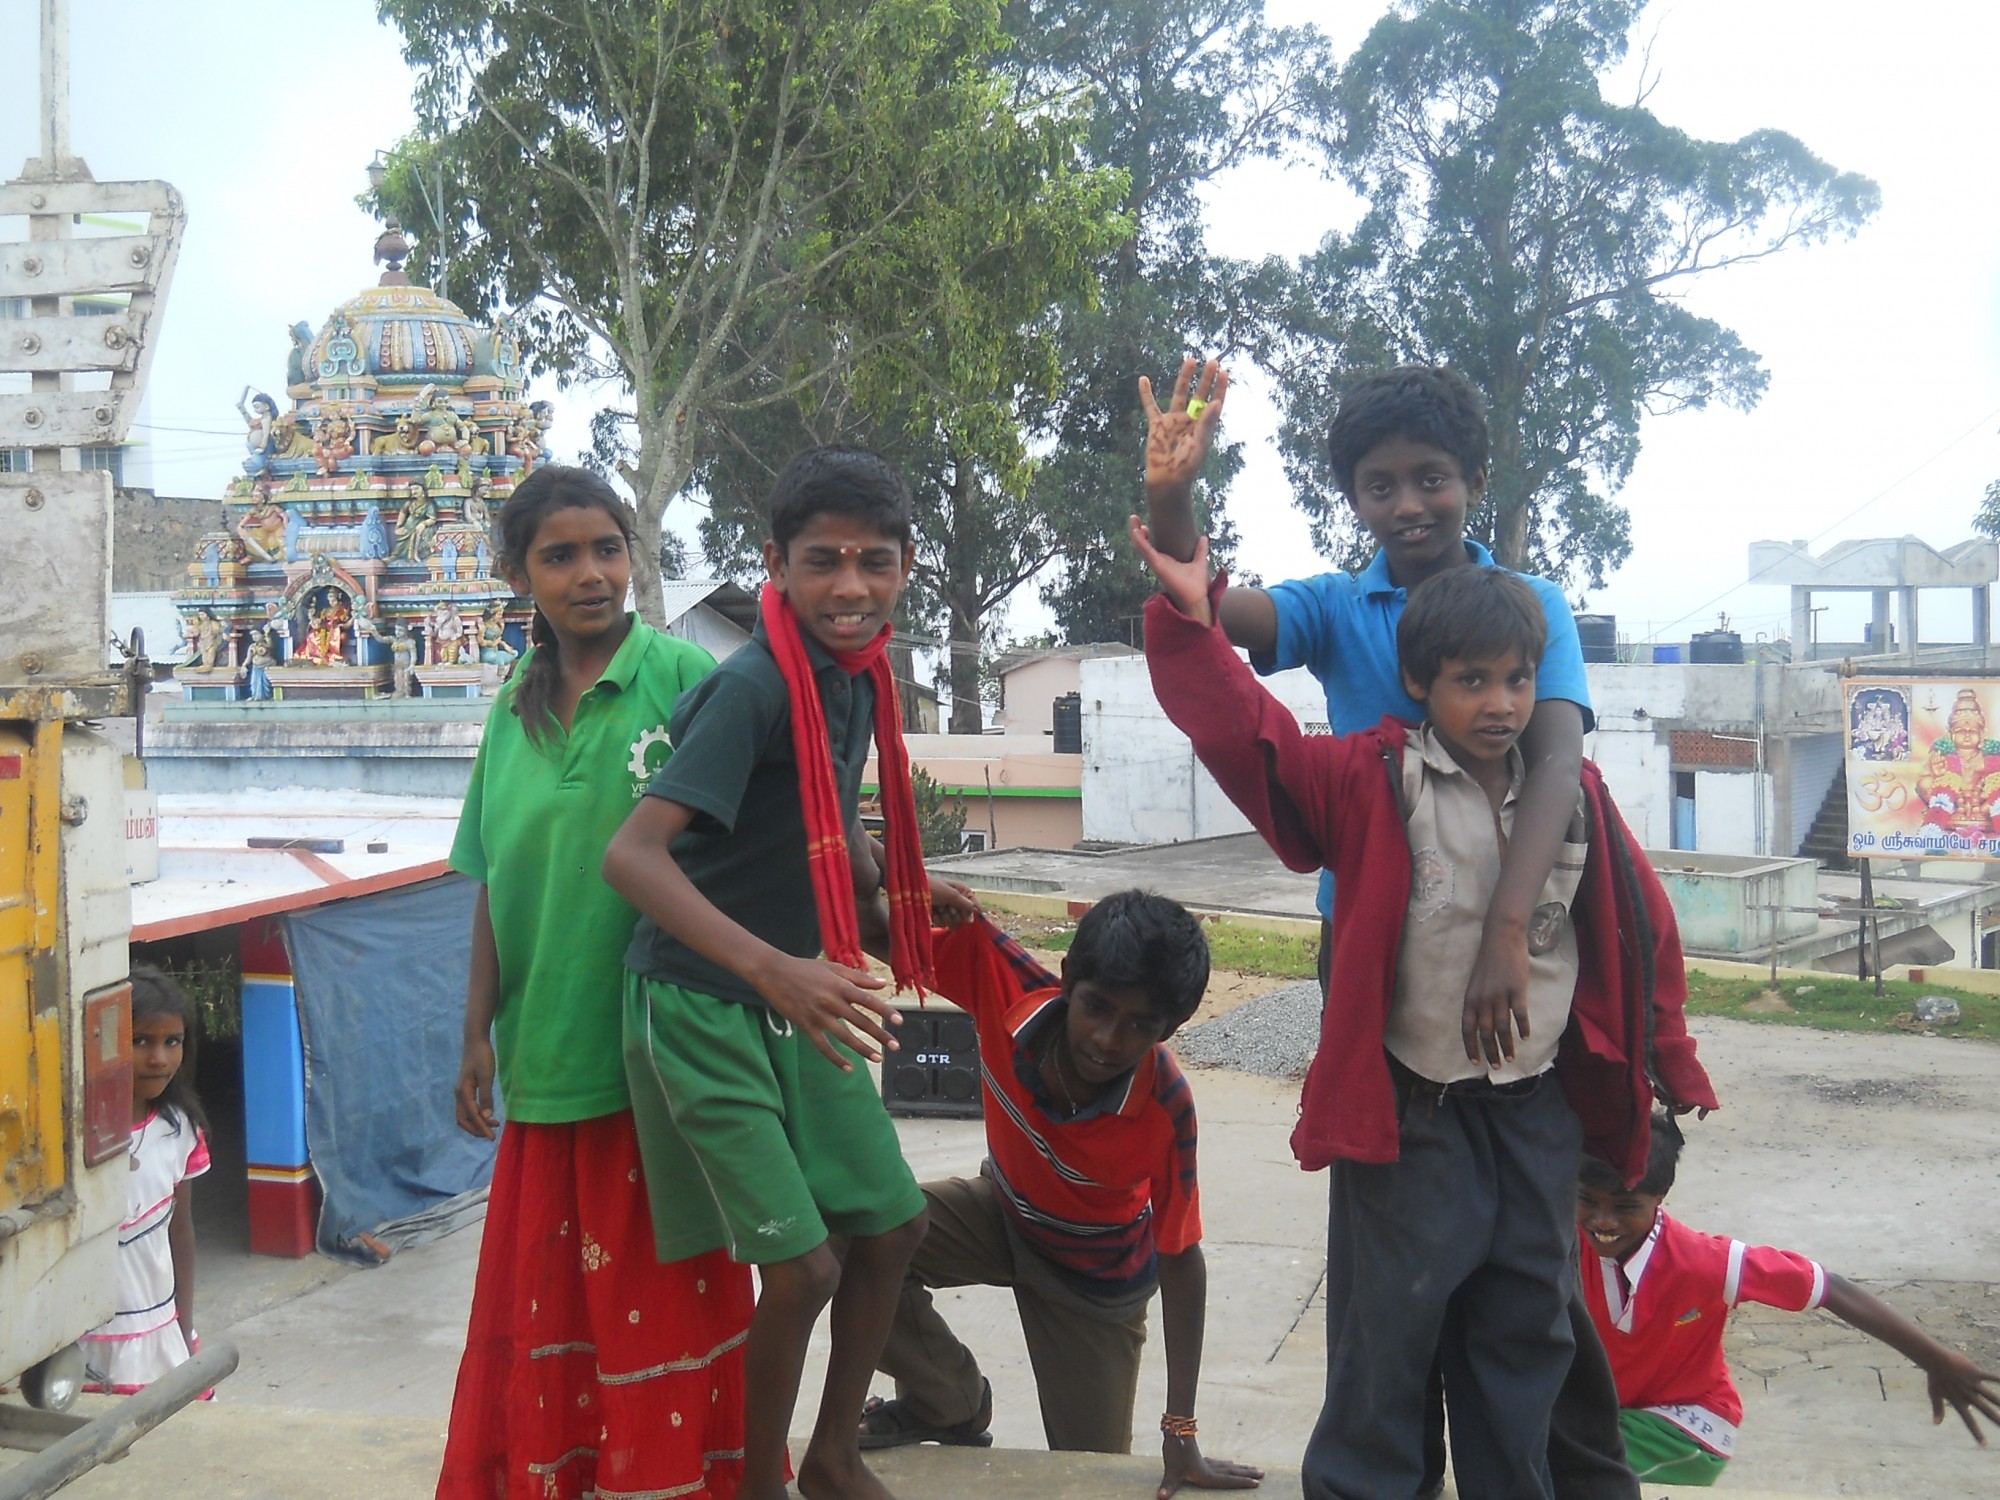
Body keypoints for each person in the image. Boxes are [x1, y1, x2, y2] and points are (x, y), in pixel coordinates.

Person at [1131, 526, 1719, 1500]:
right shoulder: (1371, 779)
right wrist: (1192, 623)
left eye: (1516, 680)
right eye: (1470, 681)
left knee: (1523, 1333)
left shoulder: (1572, 797)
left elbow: (1636, 927)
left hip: (1533, 1117)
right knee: (1388, 1338)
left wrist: (1667, 1054)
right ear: (1418, 684)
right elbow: (1251, 739)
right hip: (1413, 1119)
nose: (1500, 704)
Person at [605, 444, 970, 1500]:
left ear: (905, 566)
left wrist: (892, 892)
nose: (851, 587)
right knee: (804, 1269)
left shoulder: (850, 678)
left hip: (788, 989)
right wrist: (777, 970)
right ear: (775, 563)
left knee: (894, 1224)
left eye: (874, 561)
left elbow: (818, 814)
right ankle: (757, 1485)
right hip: (704, 999)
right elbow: (632, 857)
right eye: (823, 561)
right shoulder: (756, 686)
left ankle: (832, 1457)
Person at [436, 464, 752, 1500]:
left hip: (661, 1060)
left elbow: (758, 837)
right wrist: (475, 1034)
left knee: (662, 1311)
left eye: (607, 549)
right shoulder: (509, 712)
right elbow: (492, 881)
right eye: (560, 556)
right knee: (554, 1310)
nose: (590, 574)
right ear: (517, 575)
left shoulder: (683, 678)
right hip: (543, 1057)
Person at [859, 894, 1264, 1500]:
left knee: (1092, 1479)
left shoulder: (1166, 1106)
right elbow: (862, 921)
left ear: (1170, 1029)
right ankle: (949, 1401)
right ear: (1069, 978)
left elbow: (1181, 1258)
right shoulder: (1002, 978)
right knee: (853, 1238)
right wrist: (905, 882)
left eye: (1140, 1026)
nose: (1107, 1039)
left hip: (1094, 1282)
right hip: (1004, 1211)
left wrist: (1180, 1429)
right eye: (1097, 1007)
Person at [1577, 1117, 2000, 1485]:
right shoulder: (1562, 1247)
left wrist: (1935, 1359)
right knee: (1554, 1439)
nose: (1603, 1221)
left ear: (1661, 1195)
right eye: (1587, 1201)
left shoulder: (1708, 1263)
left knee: (1564, 1455)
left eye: (1626, 1207)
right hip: (1608, 1417)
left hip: (1687, 1427)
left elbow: (1830, 1289)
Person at [81, 967, 210, 1394]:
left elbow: (181, 1231)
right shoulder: (74, 1139)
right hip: (80, 1343)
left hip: (159, 1331)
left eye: (172, 1041)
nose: (159, 1059)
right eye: (140, 1042)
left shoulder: (179, 1129)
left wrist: (184, 1329)